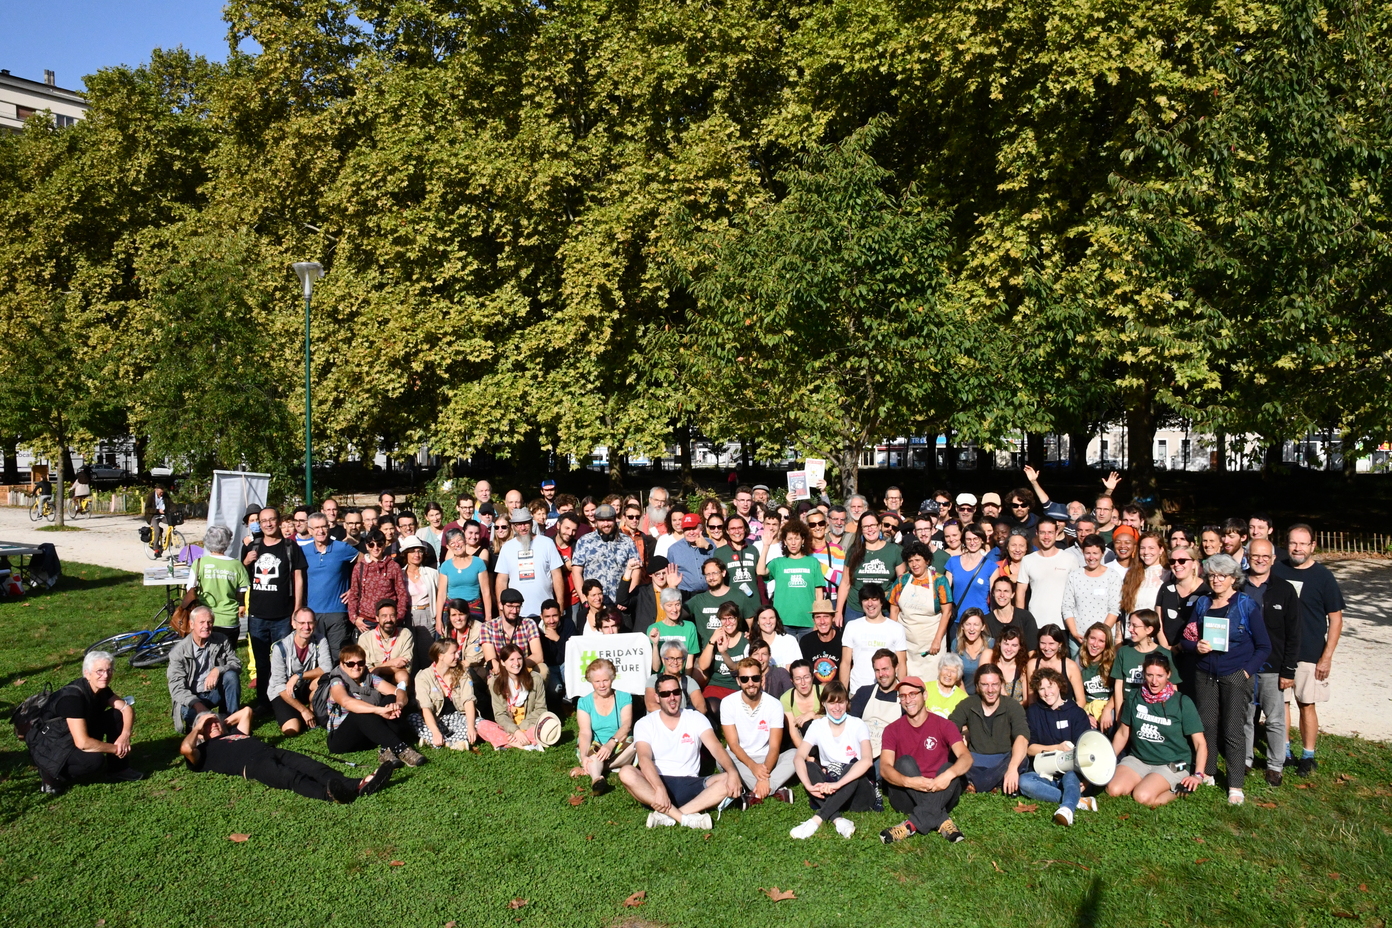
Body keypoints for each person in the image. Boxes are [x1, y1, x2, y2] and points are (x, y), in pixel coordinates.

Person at [1178, 553, 1270, 804]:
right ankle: (1208, 771)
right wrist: (1196, 646)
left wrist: (1246, 672)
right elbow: (1186, 639)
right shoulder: (1202, 604)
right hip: (1205, 674)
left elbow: (1264, 646)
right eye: (1212, 575)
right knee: (1207, 725)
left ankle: (1235, 785)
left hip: (1235, 674)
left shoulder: (1246, 605)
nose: (1216, 580)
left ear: (1233, 578)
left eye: (1222, 576)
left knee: (1232, 730)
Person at [181, 707, 393, 802]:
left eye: (214, 722)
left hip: (271, 751)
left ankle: (357, 784)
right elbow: (186, 749)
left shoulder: (235, 734)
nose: (213, 725)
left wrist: (219, 722)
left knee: (313, 766)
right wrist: (199, 727)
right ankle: (330, 795)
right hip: (252, 765)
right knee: (291, 777)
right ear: (200, 733)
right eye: (208, 726)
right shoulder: (204, 751)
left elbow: (246, 712)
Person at [620, 673, 743, 829]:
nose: (672, 698)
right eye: (665, 694)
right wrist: (659, 788)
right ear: (657, 697)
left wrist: (732, 771)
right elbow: (644, 758)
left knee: (727, 779)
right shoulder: (645, 723)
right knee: (626, 772)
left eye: (676, 692)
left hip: (690, 783)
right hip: (656, 783)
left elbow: (716, 747)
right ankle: (685, 818)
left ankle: (669, 815)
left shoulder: (696, 718)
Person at [1272, 524, 1345, 777]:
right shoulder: (1276, 570)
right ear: (1286, 543)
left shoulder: (1323, 576)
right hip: (1279, 651)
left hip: (1309, 652)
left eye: (1303, 543)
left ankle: (1308, 756)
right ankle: (1284, 752)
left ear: (1313, 546)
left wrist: (1326, 657)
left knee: (1306, 704)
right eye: (1293, 543)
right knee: (1281, 704)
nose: (1298, 548)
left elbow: (1336, 619)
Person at [28, 651, 142, 793]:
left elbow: (126, 709)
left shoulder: (101, 688)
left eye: (109, 670)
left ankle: (119, 769)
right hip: (53, 745)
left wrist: (125, 736)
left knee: (117, 715)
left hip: (74, 734)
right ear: (87, 673)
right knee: (93, 762)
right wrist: (117, 749)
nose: (106, 675)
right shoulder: (73, 699)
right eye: (99, 671)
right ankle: (50, 775)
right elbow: (82, 743)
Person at [878, 675, 972, 843]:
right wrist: (909, 782)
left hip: (941, 791)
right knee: (904, 762)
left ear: (925, 695)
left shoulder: (945, 725)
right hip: (907, 794)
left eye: (913, 694)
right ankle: (941, 819)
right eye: (903, 696)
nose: (908, 700)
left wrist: (947, 776)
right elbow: (885, 768)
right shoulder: (892, 729)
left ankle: (910, 825)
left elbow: (966, 758)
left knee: (950, 767)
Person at [1108, 652, 1207, 807]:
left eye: (1160, 676)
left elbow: (1200, 743)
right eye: (1150, 675)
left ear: (1168, 674)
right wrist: (1108, 759)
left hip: (1171, 763)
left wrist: (1198, 775)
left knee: (1142, 796)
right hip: (1138, 759)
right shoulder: (1134, 697)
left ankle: (1179, 789)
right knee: (1113, 789)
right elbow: (1122, 733)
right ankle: (1147, 780)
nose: (1154, 681)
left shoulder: (1182, 702)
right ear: (1144, 674)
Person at [1243, 539, 1301, 786]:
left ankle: (1275, 766)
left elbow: (1294, 633)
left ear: (1273, 559)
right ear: (1247, 557)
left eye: (1265, 556)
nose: (1260, 560)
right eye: (1255, 555)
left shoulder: (1284, 590)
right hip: (1243, 666)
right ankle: (1244, 760)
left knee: (1275, 719)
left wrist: (1288, 669)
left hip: (1273, 667)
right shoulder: (1237, 585)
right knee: (1245, 716)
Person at [790, 681, 879, 839]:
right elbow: (799, 757)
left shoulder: (858, 724)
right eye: (832, 702)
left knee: (851, 767)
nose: (837, 707)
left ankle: (816, 820)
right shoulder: (817, 725)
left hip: (857, 794)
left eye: (841, 702)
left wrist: (837, 784)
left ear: (847, 703)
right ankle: (838, 819)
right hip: (830, 788)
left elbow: (867, 761)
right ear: (824, 703)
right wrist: (808, 786)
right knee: (810, 766)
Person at [321, 644, 426, 767]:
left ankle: (386, 749)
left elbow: (399, 692)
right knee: (359, 712)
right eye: (350, 664)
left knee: (391, 699)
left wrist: (398, 704)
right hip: (342, 738)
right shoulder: (337, 682)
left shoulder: (369, 678)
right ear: (342, 665)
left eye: (360, 663)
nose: (356, 667)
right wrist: (378, 710)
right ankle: (400, 748)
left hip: (369, 733)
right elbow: (346, 702)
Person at [1019, 667, 1097, 826]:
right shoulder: (1033, 712)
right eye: (1041, 688)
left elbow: (1084, 751)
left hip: (1071, 772)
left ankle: (1066, 809)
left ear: (1059, 686)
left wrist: (1087, 780)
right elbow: (1030, 749)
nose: (1047, 692)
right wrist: (1057, 748)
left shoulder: (1076, 713)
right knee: (1025, 781)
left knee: (1070, 776)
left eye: (1050, 686)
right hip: (1045, 772)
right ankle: (1075, 799)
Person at [721, 657, 797, 806]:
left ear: (762, 679)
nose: (750, 683)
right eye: (745, 679)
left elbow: (774, 747)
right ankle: (775, 789)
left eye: (755, 678)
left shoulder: (774, 705)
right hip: (739, 758)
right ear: (738, 681)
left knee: (795, 755)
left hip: (766, 759)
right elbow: (733, 744)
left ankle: (755, 792)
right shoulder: (728, 703)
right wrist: (753, 766)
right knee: (722, 757)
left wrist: (762, 771)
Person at [949, 664, 1028, 794]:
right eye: (985, 685)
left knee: (1021, 759)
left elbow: (1022, 737)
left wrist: (1012, 768)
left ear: (1001, 684)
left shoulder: (1012, 706)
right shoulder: (968, 704)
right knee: (952, 756)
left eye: (995, 684)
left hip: (1003, 760)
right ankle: (995, 783)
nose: (990, 690)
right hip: (974, 761)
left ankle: (975, 784)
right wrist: (959, 741)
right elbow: (950, 727)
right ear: (977, 686)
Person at [167, 605, 242, 733]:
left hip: (213, 691)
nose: (206, 626)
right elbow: (176, 688)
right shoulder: (178, 652)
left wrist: (218, 670)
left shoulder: (221, 640)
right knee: (200, 723)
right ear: (191, 624)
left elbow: (236, 663)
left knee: (231, 676)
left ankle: (232, 722)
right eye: (201, 622)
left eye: (209, 622)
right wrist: (197, 704)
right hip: (191, 699)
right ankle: (211, 725)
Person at [267, 607, 333, 735]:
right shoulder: (280, 648)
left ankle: (313, 709)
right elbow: (279, 685)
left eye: (310, 623)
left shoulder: (320, 640)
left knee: (323, 680)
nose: (306, 627)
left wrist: (299, 675)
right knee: (292, 730)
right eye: (302, 623)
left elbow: (327, 668)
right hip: (283, 691)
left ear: (315, 624)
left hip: (304, 685)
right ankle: (304, 713)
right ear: (293, 624)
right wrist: (303, 710)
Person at [888, 541, 949, 679]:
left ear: (927, 560)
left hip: (931, 643)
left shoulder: (939, 581)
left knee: (932, 680)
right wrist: (893, 639)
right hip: (906, 643)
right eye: (910, 561)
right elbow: (894, 611)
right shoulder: (901, 581)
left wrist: (937, 640)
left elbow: (947, 612)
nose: (914, 564)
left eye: (917, 560)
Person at [574, 658, 635, 794]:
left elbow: (626, 726)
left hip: (618, 742)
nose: (601, 685)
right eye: (597, 681)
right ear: (591, 681)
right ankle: (597, 779)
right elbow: (585, 732)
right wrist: (583, 756)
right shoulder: (584, 702)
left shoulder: (624, 697)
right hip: (596, 745)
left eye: (605, 680)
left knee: (637, 744)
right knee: (592, 752)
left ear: (612, 679)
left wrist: (611, 744)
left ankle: (601, 766)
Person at [304, 512, 359, 661]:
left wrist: (355, 589)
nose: (320, 531)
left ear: (329, 527)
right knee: (314, 655)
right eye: (316, 528)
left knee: (338, 655)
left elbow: (365, 564)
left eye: (323, 527)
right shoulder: (303, 551)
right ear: (309, 530)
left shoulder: (342, 548)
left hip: (337, 612)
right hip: (312, 613)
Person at [185, 524, 249, 647]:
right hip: (229, 619)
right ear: (228, 542)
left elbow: (190, 589)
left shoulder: (199, 563)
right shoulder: (237, 565)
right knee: (227, 655)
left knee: (204, 654)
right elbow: (242, 591)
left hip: (204, 619)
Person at [494, 507, 566, 616]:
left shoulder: (547, 543)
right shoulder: (507, 548)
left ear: (532, 523)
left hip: (546, 612)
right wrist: (501, 610)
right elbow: (501, 581)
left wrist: (560, 604)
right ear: (513, 526)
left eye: (526, 523)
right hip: (516, 613)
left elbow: (557, 576)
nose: (523, 528)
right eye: (518, 524)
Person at [757, 517, 825, 632]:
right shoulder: (778, 562)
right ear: (785, 541)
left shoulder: (813, 562)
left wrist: (818, 619)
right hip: (783, 622)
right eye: (789, 539)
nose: (793, 543)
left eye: (797, 538)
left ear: (803, 540)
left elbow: (819, 593)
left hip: (808, 622)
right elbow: (760, 571)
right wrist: (766, 546)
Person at [477, 645, 550, 750]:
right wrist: (514, 731)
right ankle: (521, 744)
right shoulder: (496, 683)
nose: (516, 663)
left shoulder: (536, 679)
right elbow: (500, 714)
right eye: (511, 660)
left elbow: (541, 709)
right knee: (482, 725)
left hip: (529, 726)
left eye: (519, 659)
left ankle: (507, 742)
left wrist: (520, 730)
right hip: (507, 728)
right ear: (503, 662)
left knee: (547, 725)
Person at [837, 511, 905, 624]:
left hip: (885, 609)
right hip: (856, 609)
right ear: (861, 529)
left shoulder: (895, 550)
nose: (870, 529)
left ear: (879, 526)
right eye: (866, 527)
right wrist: (838, 612)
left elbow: (901, 584)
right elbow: (845, 582)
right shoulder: (853, 551)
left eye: (873, 525)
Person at [410, 639, 478, 750]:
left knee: (477, 723)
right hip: (436, 719)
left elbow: (468, 700)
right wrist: (435, 732)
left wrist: (471, 727)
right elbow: (426, 707)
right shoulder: (423, 676)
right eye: (453, 653)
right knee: (413, 718)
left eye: (457, 652)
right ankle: (453, 742)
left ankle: (439, 742)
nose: (457, 656)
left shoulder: (463, 672)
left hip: (457, 718)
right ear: (440, 656)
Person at [839, 583, 908, 691]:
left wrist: (902, 691)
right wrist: (842, 693)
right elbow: (845, 663)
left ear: (881, 602)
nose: (870, 604)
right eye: (865, 599)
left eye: (874, 599)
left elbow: (901, 664)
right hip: (857, 690)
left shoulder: (896, 628)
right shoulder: (852, 626)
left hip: (887, 692)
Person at [1060, 534, 1122, 655]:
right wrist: (1074, 633)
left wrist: (1099, 636)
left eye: (1095, 553)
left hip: (1104, 640)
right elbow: (1067, 607)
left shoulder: (1112, 576)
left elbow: (1114, 609)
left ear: (1102, 553)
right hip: (1079, 638)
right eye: (1087, 553)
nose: (1091, 557)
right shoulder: (1074, 576)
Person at [570, 504, 640, 604]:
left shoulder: (627, 541)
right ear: (596, 521)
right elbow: (576, 572)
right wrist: (584, 599)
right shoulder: (584, 541)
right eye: (602, 520)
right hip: (594, 604)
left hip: (620, 603)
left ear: (615, 520)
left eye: (609, 520)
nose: (606, 524)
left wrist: (627, 598)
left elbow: (636, 570)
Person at [346, 530, 409, 637]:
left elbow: (402, 594)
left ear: (384, 546)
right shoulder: (359, 567)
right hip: (366, 621)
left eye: (379, 544)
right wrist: (354, 618)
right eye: (371, 544)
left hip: (388, 619)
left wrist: (398, 617)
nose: (375, 548)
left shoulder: (393, 566)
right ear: (367, 546)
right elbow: (354, 594)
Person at [1112, 609, 1180, 707]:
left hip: (1156, 709)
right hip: (1129, 707)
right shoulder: (1123, 652)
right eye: (1129, 625)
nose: (1130, 629)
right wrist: (1119, 714)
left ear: (1149, 629)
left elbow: (1173, 686)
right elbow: (1118, 686)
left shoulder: (1166, 654)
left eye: (1135, 626)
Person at [848, 648, 902, 761]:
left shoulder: (904, 697)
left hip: (888, 755)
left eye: (885, 669)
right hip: (860, 751)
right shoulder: (864, 693)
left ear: (896, 668)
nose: (881, 674)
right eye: (877, 670)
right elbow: (850, 724)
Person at [481, 589, 546, 676]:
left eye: (518, 607)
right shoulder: (487, 627)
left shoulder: (529, 624)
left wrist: (517, 666)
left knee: (543, 669)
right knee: (492, 680)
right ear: (501, 605)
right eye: (510, 606)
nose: (514, 611)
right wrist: (510, 670)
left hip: (523, 668)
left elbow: (538, 656)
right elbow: (491, 660)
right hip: (500, 672)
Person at [436, 526, 491, 628]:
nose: (457, 545)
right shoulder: (445, 566)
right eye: (452, 543)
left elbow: (486, 592)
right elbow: (441, 594)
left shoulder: (478, 562)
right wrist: (438, 620)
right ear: (448, 547)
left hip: (474, 608)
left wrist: (488, 616)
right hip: (452, 610)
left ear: (465, 540)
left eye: (459, 540)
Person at [398, 536, 439, 671]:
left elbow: (440, 596)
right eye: (412, 551)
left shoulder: (432, 573)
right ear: (406, 554)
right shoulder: (399, 574)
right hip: (407, 615)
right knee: (409, 652)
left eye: (419, 551)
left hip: (426, 613)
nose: (417, 554)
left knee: (427, 652)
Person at [697, 603, 750, 706]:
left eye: (731, 618)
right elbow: (703, 666)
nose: (728, 622)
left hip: (736, 687)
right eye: (724, 619)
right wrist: (712, 640)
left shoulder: (746, 639)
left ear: (737, 618)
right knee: (710, 706)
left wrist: (723, 652)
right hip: (716, 685)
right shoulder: (715, 639)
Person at [1024, 624, 1086, 709]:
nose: (1047, 648)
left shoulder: (1070, 666)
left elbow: (1081, 700)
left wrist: (1069, 714)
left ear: (1060, 644)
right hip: (1041, 712)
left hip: (1066, 712)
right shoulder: (1032, 664)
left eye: (1051, 643)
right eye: (1043, 643)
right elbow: (1032, 699)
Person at [712, 515, 761, 618]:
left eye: (740, 528)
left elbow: (759, 579)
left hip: (753, 603)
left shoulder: (753, 550)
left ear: (745, 529)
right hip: (731, 606)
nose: (737, 532)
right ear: (727, 531)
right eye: (733, 529)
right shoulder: (720, 553)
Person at [645, 641, 707, 714]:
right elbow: (651, 705)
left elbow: (702, 707)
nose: (675, 662)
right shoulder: (653, 680)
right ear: (663, 660)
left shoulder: (689, 682)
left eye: (679, 658)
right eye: (671, 658)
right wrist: (675, 716)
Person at [1077, 622, 1118, 728]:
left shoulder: (1115, 662)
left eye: (1101, 641)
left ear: (1107, 644)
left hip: (1110, 707)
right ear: (1086, 639)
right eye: (1092, 638)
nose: (1095, 644)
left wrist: (1107, 710)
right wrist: (1084, 714)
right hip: (1087, 709)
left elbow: (1119, 691)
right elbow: (1072, 697)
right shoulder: (1077, 662)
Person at [988, 575, 1039, 652]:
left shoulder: (1025, 617)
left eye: (1006, 591)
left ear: (1012, 594)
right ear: (993, 593)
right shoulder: (987, 621)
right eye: (998, 590)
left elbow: (1032, 650)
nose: (1002, 595)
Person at [780, 659, 823, 745]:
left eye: (806, 677)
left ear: (812, 677)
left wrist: (814, 715)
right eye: (798, 679)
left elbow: (834, 723)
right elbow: (794, 734)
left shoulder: (823, 693)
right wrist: (805, 752)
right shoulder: (786, 699)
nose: (803, 683)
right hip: (802, 742)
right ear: (792, 680)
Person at [955, 609, 993, 696]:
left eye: (976, 624)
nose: (971, 629)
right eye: (968, 624)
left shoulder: (991, 644)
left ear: (982, 627)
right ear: (962, 626)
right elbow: (956, 676)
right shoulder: (956, 644)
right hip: (962, 695)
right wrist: (966, 699)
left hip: (986, 695)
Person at [992, 626, 1031, 703]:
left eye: (1014, 645)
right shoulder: (991, 663)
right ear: (999, 643)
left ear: (1020, 647)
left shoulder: (1023, 669)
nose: (1009, 649)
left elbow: (1026, 701)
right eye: (1006, 644)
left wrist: (1011, 707)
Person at [925, 652, 968, 718]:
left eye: (953, 671)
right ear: (939, 670)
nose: (948, 674)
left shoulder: (962, 698)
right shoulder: (926, 688)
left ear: (958, 676)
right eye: (946, 669)